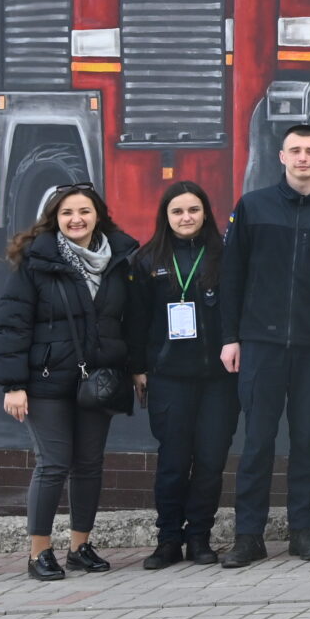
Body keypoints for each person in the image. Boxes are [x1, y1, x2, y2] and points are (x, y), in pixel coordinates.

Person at [220, 124, 310, 566]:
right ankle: (248, 536)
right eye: (295, 150)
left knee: (306, 441)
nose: (303, 158)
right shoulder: (253, 207)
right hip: (259, 345)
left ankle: (303, 532)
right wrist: (230, 338)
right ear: (281, 156)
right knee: (257, 443)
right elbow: (232, 277)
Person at [0, 183, 133, 581]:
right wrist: (13, 385)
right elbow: (12, 324)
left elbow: (129, 321)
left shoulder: (118, 259)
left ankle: (79, 548)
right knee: (53, 464)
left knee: (89, 465)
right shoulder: (37, 261)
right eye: (67, 212)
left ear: (98, 215)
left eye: (84, 211)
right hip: (46, 381)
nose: (76, 219)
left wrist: (134, 367)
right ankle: (39, 552)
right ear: (54, 218)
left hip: (98, 380)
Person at [125, 181, 234, 568]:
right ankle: (168, 539)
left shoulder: (224, 255)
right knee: (173, 462)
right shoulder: (147, 260)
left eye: (193, 210)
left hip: (219, 379)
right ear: (165, 216)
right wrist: (138, 368)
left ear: (205, 213)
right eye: (177, 211)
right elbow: (136, 321)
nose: (186, 218)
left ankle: (199, 538)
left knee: (210, 461)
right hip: (168, 376)